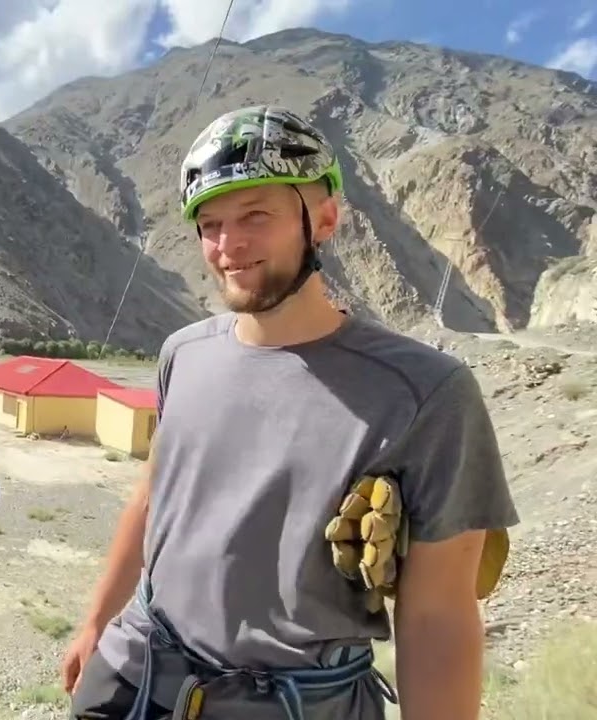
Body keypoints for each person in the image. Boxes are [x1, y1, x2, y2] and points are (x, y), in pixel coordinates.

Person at [61, 106, 519, 720]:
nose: (229, 246)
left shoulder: (427, 392)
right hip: (138, 670)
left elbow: (439, 613)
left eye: (256, 216)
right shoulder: (183, 354)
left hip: (295, 702)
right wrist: (97, 622)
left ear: (323, 219)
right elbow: (152, 497)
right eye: (211, 224)